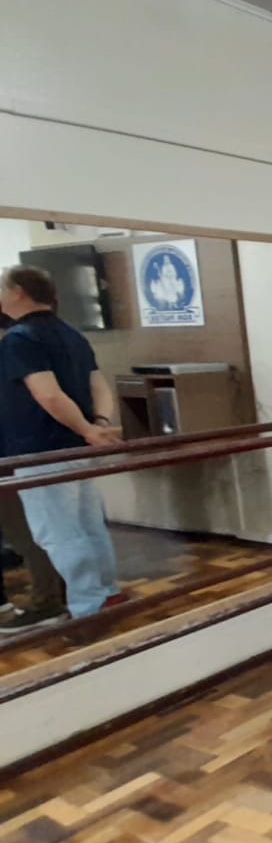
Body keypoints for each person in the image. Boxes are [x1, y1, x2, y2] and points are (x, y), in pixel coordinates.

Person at [0, 266, 121, 627]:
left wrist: (87, 428)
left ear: (18, 292)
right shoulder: (71, 334)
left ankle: (88, 609)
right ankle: (108, 593)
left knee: (60, 533)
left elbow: (48, 394)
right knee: (88, 526)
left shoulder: (19, 339)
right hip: (75, 448)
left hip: (42, 448)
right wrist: (98, 425)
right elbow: (99, 385)